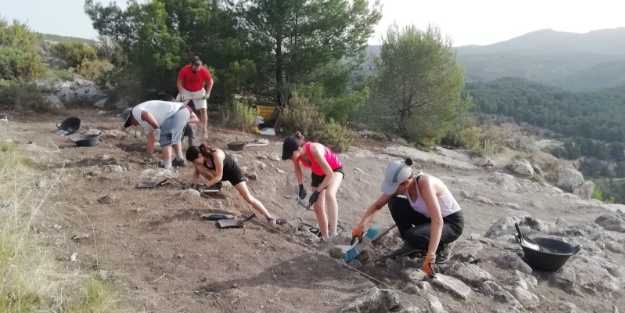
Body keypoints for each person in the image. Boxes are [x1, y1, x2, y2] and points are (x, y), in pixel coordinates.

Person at [351, 158, 464, 277]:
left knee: (414, 234)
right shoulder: (405, 184)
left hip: (450, 224)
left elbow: (438, 220)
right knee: (394, 203)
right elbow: (378, 205)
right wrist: (361, 226)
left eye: (394, 187)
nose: (392, 191)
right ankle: (413, 244)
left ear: (406, 183)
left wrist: (431, 255)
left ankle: (442, 247)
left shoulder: (425, 184)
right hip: (428, 218)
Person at [186, 144, 285, 225]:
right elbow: (196, 173)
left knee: (248, 198)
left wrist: (204, 186)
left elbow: (219, 177)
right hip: (218, 174)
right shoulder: (200, 160)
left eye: (194, 161)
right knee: (199, 167)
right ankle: (216, 185)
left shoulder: (216, 155)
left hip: (232, 174)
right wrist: (193, 186)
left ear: (199, 155)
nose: (194, 163)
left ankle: (269, 217)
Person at [281, 132, 343, 240]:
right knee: (318, 206)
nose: (291, 159)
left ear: (298, 149)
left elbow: (330, 174)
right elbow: (297, 169)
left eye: (291, 156)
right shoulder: (297, 155)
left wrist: (318, 192)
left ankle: (334, 234)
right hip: (317, 173)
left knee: (329, 194)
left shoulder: (314, 150)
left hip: (333, 169)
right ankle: (326, 238)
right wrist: (301, 186)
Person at [123, 99, 197, 169]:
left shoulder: (135, 111)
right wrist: (148, 157)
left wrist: (158, 128)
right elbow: (151, 141)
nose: (133, 125)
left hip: (175, 112)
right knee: (175, 138)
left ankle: (168, 166)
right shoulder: (145, 123)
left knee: (165, 138)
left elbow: (146, 114)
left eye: (130, 122)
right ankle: (179, 159)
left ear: (131, 117)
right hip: (182, 111)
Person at [176, 56, 214, 139]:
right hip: (186, 90)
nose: (196, 70)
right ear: (191, 65)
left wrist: (208, 93)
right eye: (195, 68)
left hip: (199, 91)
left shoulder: (203, 70)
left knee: (203, 110)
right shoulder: (185, 69)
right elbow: (179, 81)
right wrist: (181, 93)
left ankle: (204, 131)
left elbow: (210, 81)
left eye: (198, 68)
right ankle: (175, 126)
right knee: (176, 107)